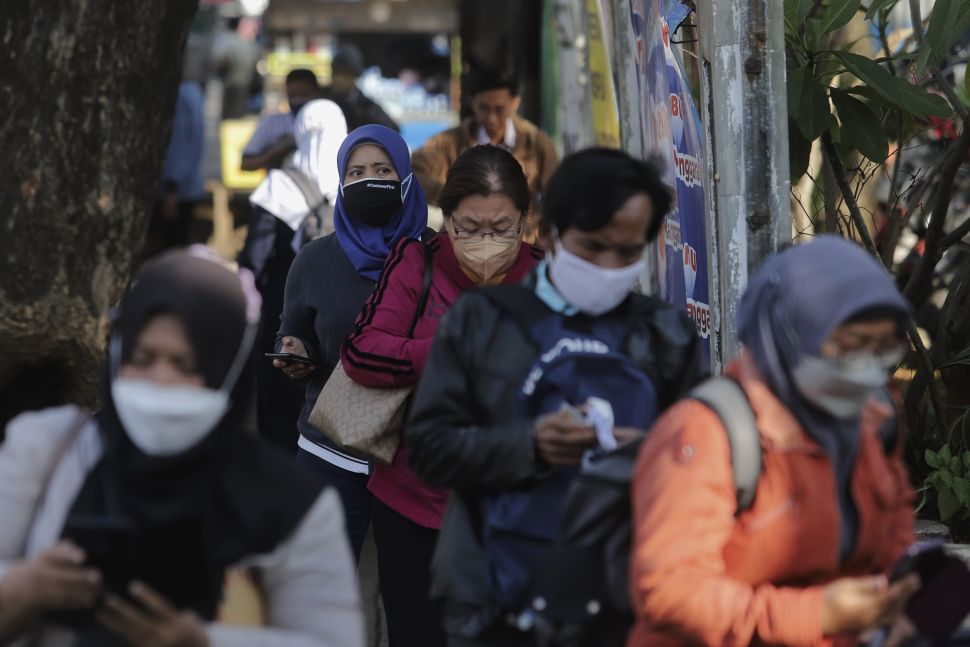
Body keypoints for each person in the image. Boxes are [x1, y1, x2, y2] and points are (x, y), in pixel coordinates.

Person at [406, 148, 704, 647]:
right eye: (591, 248)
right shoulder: (483, 321)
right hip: (496, 602)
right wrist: (532, 445)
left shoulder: (665, 335)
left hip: (627, 600)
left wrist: (650, 453)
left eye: (627, 252)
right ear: (548, 232)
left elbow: (701, 464)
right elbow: (430, 450)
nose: (609, 266)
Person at [0, 247, 364, 647]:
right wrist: (25, 588)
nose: (160, 379)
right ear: (117, 354)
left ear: (229, 372)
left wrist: (202, 642)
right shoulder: (46, 450)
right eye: (143, 357)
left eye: (187, 365)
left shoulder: (292, 504)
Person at [627, 235, 920, 646]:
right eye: (852, 344)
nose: (866, 367)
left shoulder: (870, 418)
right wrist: (814, 614)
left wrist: (898, 605)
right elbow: (669, 591)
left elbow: (895, 526)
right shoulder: (705, 432)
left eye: (882, 347)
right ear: (791, 331)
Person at [340, 145, 543, 647]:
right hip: (413, 504)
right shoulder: (416, 263)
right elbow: (362, 352)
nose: (486, 243)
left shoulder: (547, 279)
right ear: (446, 220)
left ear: (524, 223)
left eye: (502, 229)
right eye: (469, 228)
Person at [274, 124, 429, 560]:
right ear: (340, 182)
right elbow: (294, 332)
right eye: (356, 172)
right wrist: (293, 353)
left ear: (405, 177)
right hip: (330, 452)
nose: (368, 180)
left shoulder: (436, 256)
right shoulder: (314, 260)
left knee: (413, 604)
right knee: (318, 591)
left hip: (416, 459)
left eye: (382, 169)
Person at [240, 99, 347, 451]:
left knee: (279, 396)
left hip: (282, 310)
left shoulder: (278, 186)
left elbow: (255, 260)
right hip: (339, 307)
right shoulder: (352, 184)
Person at [411, 68, 559, 242]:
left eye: (499, 109)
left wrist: (534, 232)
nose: (491, 118)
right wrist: (455, 196)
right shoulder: (448, 142)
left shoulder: (537, 143)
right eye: (484, 108)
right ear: (473, 102)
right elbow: (414, 172)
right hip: (463, 244)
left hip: (521, 245)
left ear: (515, 103)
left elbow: (556, 195)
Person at [144, 78, 205, 260]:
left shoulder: (179, 96)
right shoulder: (192, 92)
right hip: (185, 187)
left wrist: (172, 188)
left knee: (165, 253)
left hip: (173, 191)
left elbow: (178, 144)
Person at [241, 69, 324, 172]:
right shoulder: (273, 123)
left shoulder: (327, 121)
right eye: (293, 95)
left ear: (316, 93)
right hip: (282, 182)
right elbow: (246, 163)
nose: (298, 99)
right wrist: (276, 150)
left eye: (304, 94)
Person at [320, 44, 400, 133]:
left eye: (345, 73)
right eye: (336, 72)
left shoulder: (366, 107)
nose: (339, 79)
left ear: (355, 75)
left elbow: (393, 131)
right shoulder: (320, 100)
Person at [213, 16, 259, 120]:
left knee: (229, 116)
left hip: (233, 84)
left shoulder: (231, 42)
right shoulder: (249, 45)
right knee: (237, 115)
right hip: (241, 84)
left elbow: (222, 61)